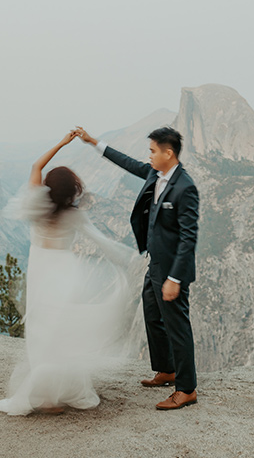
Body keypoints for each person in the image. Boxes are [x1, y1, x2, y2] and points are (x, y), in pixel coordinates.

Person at [0, 132, 137, 416]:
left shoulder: (37, 206)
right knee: (62, 331)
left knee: (40, 332)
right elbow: (102, 241)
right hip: (63, 274)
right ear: (72, 191)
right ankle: (59, 391)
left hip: (39, 273)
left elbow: (35, 167)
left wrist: (60, 143)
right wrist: (126, 259)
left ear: (49, 189)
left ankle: (45, 396)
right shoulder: (74, 215)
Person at [75, 125, 199, 411]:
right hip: (154, 263)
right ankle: (167, 369)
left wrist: (174, 278)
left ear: (169, 153)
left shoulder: (185, 187)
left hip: (171, 272)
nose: (150, 156)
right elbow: (129, 164)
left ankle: (187, 388)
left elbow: (188, 238)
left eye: (154, 151)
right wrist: (95, 142)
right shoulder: (156, 174)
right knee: (152, 314)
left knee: (177, 326)